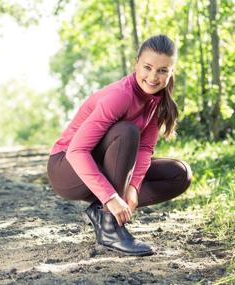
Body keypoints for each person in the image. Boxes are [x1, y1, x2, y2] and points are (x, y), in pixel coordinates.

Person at [46, 34, 192, 256]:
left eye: (163, 70)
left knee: (179, 174)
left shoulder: (156, 99)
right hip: (66, 168)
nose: (153, 77)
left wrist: (133, 189)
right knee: (126, 132)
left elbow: (144, 150)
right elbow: (77, 151)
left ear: (171, 71)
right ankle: (109, 228)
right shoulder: (120, 95)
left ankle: (100, 211)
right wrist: (112, 197)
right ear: (136, 64)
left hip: (102, 167)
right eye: (148, 67)